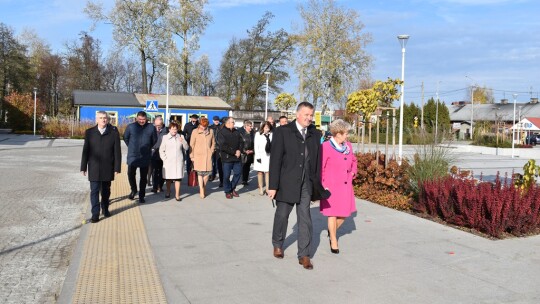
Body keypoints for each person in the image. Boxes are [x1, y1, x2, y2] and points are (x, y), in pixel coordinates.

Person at [268, 101, 324, 270]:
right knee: (282, 215)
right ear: (298, 114)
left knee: (305, 218)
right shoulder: (283, 132)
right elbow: (276, 159)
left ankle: (304, 254)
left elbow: (317, 161)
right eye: (306, 115)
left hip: (306, 183)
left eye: (311, 115)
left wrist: (316, 187)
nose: (309, 118)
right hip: (287, 182)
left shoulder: (315, 134)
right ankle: (278, 243)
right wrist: (273, 185)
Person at [320, 119, 357, 254]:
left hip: (346, 185)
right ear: (338, 133)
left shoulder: (348, 146)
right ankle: (334, 240)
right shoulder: (325, 147)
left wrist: (353, 171)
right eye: (345, 133)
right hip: (331, 186)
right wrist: (323, 185)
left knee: (345, 214)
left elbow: (354, 160)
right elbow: (321, 167)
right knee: (332, 214)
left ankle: (332, 231)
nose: (347, 135)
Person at [80, 111, 121, 223]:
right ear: (96, 119)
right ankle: (95, 214)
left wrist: (117, 167)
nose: (103, 120)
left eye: (105, 118)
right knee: (94, 191)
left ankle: (105, 208)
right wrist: (83, 167)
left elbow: (117, 151)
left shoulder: (113, 133)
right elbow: (85, 151)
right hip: (93, 166)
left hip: (108, 166)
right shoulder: (89, 132)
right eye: (101, 118)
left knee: (106, 191)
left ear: (108, 120)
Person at [124, 111, 157, 203]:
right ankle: (134, 190)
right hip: (133, 155)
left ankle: (142, 195)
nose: (142, 121)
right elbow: (125, 138)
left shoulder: (151, 127)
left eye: (143, 119)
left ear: (146, 118)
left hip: (145, 156)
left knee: (143, 177)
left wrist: (148, 147)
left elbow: (154, 139)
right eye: (140, 119)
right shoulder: (131, 127)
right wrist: (131, 147)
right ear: (136, 118)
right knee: (130, 174)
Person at [160, 121, 189, 201]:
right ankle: (168, 191)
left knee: (178, 178)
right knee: (168, 179)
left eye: (175, 129)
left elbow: (186, 148)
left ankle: (177, 195)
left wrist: (182, 141)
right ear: (169, 129)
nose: (174, 131)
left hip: (178, 161)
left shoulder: (181, 136)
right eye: (172, 129)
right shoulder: (165, 137)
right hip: (168, 161)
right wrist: (164, 159)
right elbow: (161, 150)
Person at [218, 117, 244, 199]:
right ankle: (227, 191)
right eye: (233, 122)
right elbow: (223, 146)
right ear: (227, 123)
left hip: (237, 158)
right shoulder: (221, 132)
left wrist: (239, 150)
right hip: (227, 158)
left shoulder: (237, 132)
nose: (234, 123)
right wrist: (234, 152)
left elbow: (241, 142)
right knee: (226, 176)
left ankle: (232, 188)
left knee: (238, 173)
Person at [190, 117, 215, 199]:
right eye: (202, 125)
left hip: (208, 156)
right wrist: (192, 156)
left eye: (205, 126)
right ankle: (201, 189)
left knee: (207, 174)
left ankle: (203, 187)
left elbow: (213, 143)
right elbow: (192, 145)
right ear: (199, 124)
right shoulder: (195, 131)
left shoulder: (211, 131)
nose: (204, 127)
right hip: (198, 155)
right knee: (200, 174)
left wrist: (211, 151)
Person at [254, 121, 273, 196]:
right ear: (262, 127)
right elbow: (256, 145)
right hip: (260, 155)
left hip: (268, 156)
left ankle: (268, 188)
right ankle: (261, 188)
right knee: (260, 172)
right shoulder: (258, 134)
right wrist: (258, 156)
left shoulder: (271, 134)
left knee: (268, 172)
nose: (266, 129)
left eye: (268, 127)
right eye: (265, 127)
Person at [151, 116, 168, 193]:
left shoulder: (167, 131)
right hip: (154, 154)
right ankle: (154, 187)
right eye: (156, 125)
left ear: (162, 124)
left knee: (162, 171)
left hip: (164, 155)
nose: (157, 127)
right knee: (154, 171)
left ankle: (160, 186)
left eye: (159, 126)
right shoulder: (152, 129)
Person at [239, 120, 255, 186]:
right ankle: (243, 179)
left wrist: (253, 150)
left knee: (247, 167)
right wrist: (244, 151)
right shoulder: (241, 134)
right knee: (243, 167)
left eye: (251, 126)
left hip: (250, 153)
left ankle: (245, 180)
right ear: (245, 126)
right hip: (243, 153)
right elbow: (239, 144)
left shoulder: (253, 134)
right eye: (249, 126)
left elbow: (255, 143)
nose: (251, 128)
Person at [208, 116, 223, 182]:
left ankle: (221, 178)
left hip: (219, 147)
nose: (216, 121)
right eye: (215, 120)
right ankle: (212, 175)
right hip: (212, 147)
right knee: (212, 163)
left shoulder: (221, 127)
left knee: (219, 163)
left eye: (217, 120)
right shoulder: (210, 128)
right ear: (213, 120)